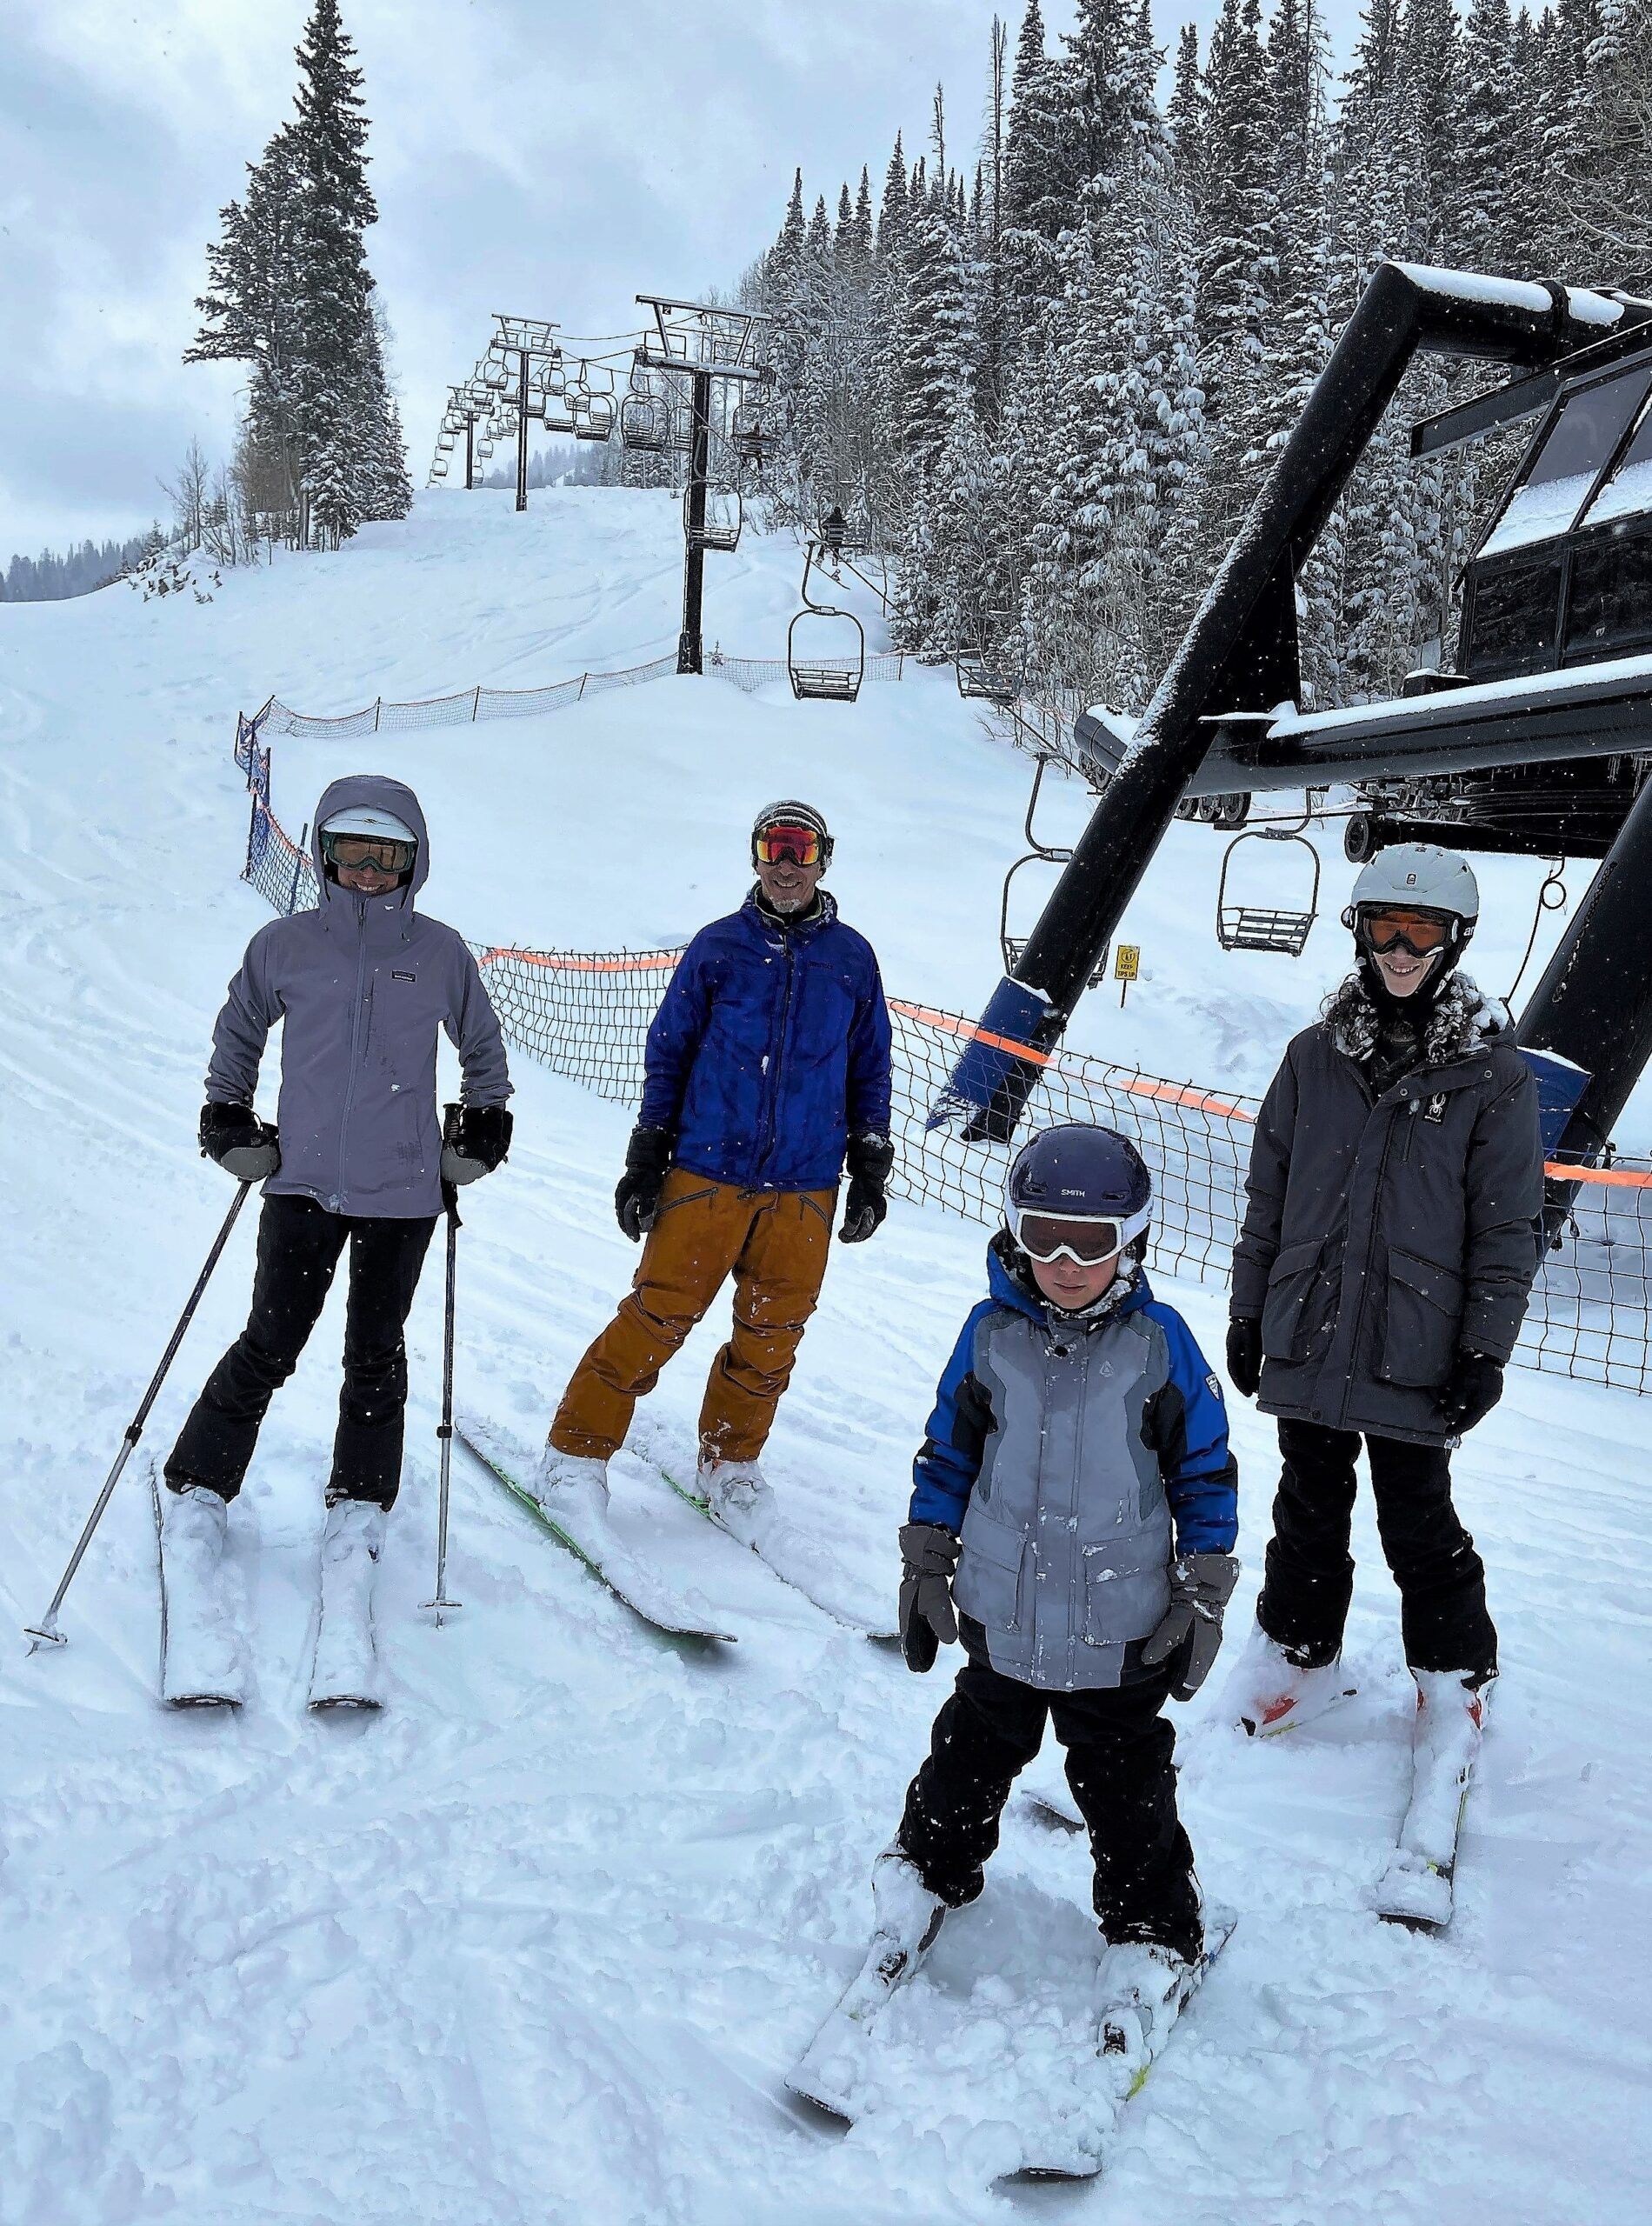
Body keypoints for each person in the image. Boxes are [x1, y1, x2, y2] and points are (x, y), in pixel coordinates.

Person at [159, 775, 513, 1702]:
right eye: (351, 853)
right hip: (303, 1183)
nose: (366, 872)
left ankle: (359, 1503)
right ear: (324, 856)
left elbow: (483, 1048)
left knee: (375, 1352)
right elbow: (239, 1029)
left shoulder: (439, 953)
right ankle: (200, 1483)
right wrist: (227, 1114)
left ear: (412, 863)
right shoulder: (285, 944)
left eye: (385, 856)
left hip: (404, 1190)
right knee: (270, 1339)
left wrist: (484, 1123)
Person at [877, 1125, 1239, 2024]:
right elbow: (948, 1452)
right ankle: (928, 1871)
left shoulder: (1159, 1344)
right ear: (1015, 1231)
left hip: (1118, 1626)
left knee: (1124, 1789)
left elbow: (1204, 1471)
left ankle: (1154, 1927)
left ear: (1132, 1239)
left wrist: (1202, 1587)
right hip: (1001, 1612)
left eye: (1091, 1242)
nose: (1067, 1264)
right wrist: (928, 1555)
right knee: (966, 1756)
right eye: (1045, 1238)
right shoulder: (989, 1334)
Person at [1224, 842, 1543, 1742]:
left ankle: (1452, 1679)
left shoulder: (1492, 1077)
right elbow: (1268, 1199)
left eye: (1422, 932)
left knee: (1417, 1517)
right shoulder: (1312, 1057)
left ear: (1454, 941)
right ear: (1359, 933)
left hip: (1416, 1341)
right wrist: (1248, 1311)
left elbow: (1506, 1230)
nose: (1400, 950)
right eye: (1384, 928)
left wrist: (1483, 1349)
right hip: (1311, 1324)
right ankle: (1298, 1657)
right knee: (1306, 1507)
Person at [539, 801, 894, 1546]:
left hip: (805, 1183)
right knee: (657, 1317)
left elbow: (870, 1065)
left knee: (773, 1332)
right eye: (774, 847)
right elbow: (669, 1051)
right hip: (707, 1170)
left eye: (801, 849)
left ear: (824, 859)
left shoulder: (852, 958)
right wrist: (647, 1156)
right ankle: (575, 1455)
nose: (786, 865)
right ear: (755, 856)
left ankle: (730, 1463)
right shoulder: (718, 947)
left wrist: (869, 1164)